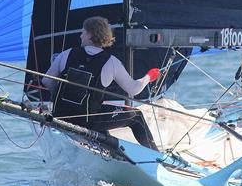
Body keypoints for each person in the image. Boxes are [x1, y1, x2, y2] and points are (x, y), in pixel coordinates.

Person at [42, 16, 160, 151]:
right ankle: (156, 156)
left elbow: (46, 81)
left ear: (90, 35)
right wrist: (149, 77)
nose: (80, 36)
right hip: (87, 121)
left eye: (83, 32)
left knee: (100, 112)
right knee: (136, 116)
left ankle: (105, 146)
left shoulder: (67, 53)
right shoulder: (111, 62)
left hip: (60, 115)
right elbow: (134, 89)